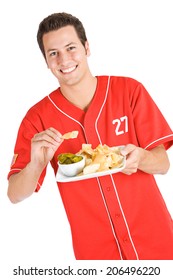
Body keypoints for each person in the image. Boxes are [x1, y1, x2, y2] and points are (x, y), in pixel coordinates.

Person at [7, 12, 173, 260]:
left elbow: (163, 164)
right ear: (46, 61)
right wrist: (36, 164)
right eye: (53, 53)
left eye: (71, 48)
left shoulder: (129, 90)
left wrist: (141, 158)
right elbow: (14, 194)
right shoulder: (36, 118)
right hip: (96, 256)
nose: (64, 60)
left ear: (86, 47)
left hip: (157, 241)